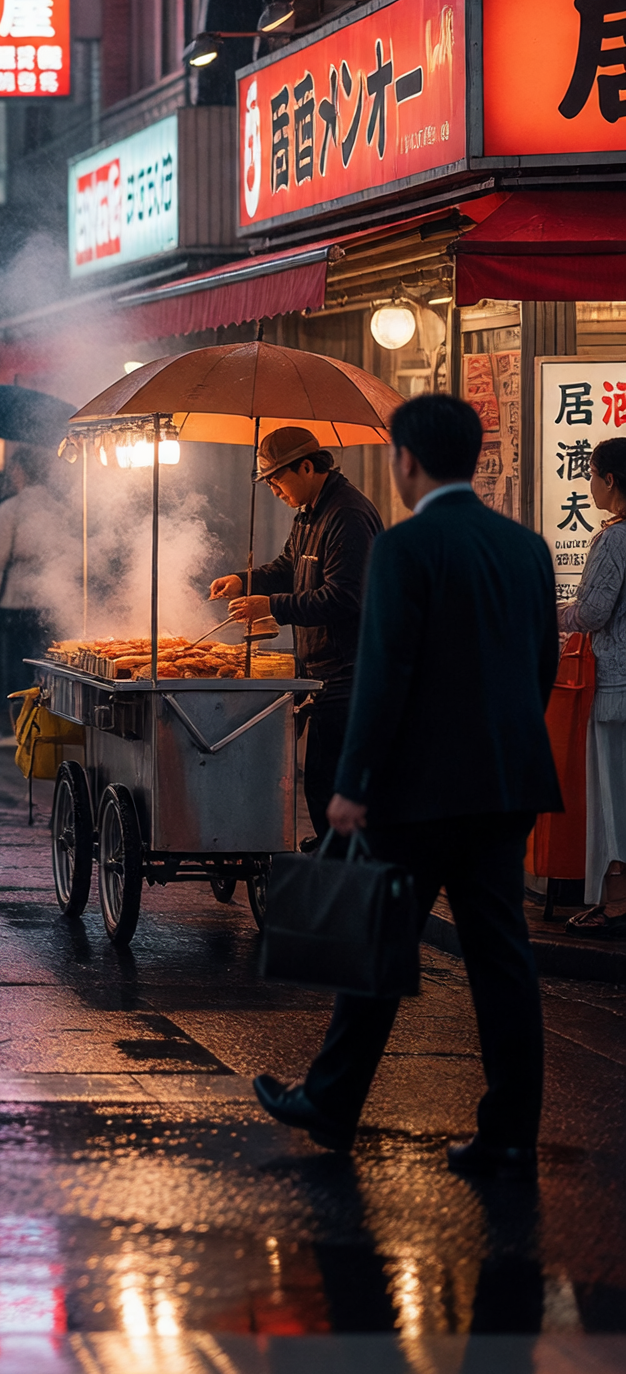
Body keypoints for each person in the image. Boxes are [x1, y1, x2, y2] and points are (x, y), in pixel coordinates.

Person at [253, 394, 559, 1177]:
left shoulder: (407, 547)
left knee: (376, 943)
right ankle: (512, 1129)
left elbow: (384, 672)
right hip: (506, 779)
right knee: (503, 959)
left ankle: (331, 1102)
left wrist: (353, 783)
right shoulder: (525, 546)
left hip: (417, 788)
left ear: (408, 462)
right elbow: (542, 669)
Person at [209, 424, 384, 845]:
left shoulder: (347, 515)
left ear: (307, 467)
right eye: (268, 482)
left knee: (331, 785)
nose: (273, 490)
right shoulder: (309, 512)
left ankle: (345, 877)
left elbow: (344, 597)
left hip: (349, 672)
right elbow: (288, 566)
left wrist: (273, 607)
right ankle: (335, 859)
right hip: (319, 670)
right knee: (320, 782)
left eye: (277, 479)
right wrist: (244, 580)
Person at [558, 436, 626, 932]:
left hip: (616, 687)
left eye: (592, 474)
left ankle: (618, 904)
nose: (589, 484)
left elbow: (595, 610)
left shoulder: (614, 538)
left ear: (610, 481)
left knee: (614, 794)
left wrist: (555, 613)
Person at [0, 446, 67, 713]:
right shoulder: (58, 508)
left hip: (13, 602)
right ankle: (41, 719)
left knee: (12, 667)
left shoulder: (11, 508)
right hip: (50, 599)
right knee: (44, 667)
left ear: (19, 471)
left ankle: (13, 723)